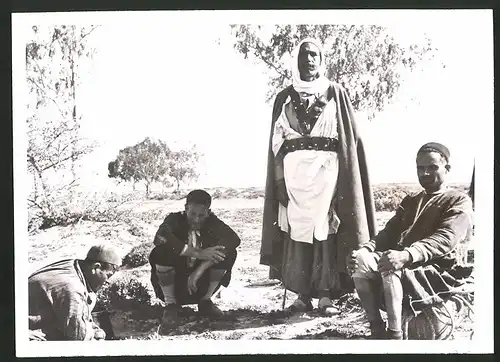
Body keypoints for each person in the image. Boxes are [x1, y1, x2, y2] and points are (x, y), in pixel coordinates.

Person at [260, 37, 377, 316]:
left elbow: (349, 140)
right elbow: (276, 146)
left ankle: (325, 295)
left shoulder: (335, 92)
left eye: (314, 55)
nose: (309, 60)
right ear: (296, 60)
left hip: (327, 175)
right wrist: (279, 184)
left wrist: (344, 182)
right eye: (304, 55)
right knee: (297, 231)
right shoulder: (284, 97)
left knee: (325, 231)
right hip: (294, 177)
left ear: (321, 60)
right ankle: (302, 295)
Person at [347, 142, 474, 339]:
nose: (425, 173)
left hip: (437, 267)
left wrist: (407, 255)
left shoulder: (457, 200)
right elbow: (389, 233)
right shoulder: (411, 200)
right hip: (403, 260)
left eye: (432, 167)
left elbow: (446, 238)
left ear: (447, 168)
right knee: (361, 261)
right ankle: (376, 328)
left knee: (391, 265)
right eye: (420, 168)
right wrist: (365, 249)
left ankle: (395, 334)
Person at [149, 189, 240, 325]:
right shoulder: (175, 219)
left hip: (199, 286)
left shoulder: (212, 222)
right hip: (174, 287)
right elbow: (160, 237)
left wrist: (200, 269)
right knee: (160, 251)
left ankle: (206, 302)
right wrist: (197, 253)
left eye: (201, 215)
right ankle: (171, 306)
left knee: (228, 253)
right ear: (186, 208)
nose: (196, 219)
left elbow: (234, 239)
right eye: (192, 214)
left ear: (208, 212)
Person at [28, 244, 122, 341]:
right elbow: (79, 337)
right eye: (108, 275)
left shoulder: (74, 265)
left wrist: (94, 330)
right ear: (96, 267)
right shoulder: (72, 287)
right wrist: (97, 335)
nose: (108, 281)